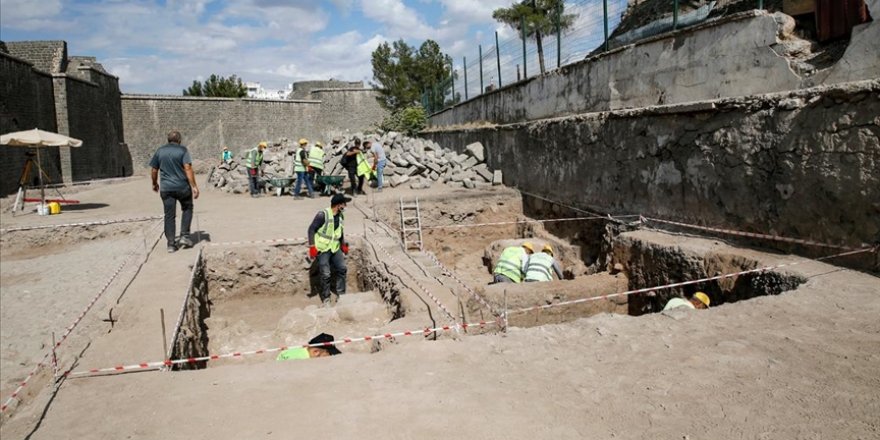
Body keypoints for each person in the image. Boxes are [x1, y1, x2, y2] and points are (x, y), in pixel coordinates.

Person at [149, 130, 199, 253]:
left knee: (169, 215)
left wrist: (155, 184)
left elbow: (154, 170)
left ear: (168, 140)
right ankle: (184, 236)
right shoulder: (183, 150)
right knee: (187, 208)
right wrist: (194, 186)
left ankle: (171, 244)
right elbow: (188, 168)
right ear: (179, 140)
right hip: (182, 187)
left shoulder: (160, 151)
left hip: (166, 188)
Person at [308, 193, 351, 306]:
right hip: (323, 248)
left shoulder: (341, 216)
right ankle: (326, 298)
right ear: (338, 205)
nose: (345, 206)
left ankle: (341, 294)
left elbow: (340, 232)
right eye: (344, 204)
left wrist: (343, 245)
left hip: (335, 247)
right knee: (326, 274)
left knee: (342, 268)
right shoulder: (323, 215)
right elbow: (311, 229)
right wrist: (312, 246)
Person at [276, 333, 342, 360]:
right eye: (329, 353)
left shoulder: (299, 349)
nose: (330, 356)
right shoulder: (305, 360)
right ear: (316, 352)